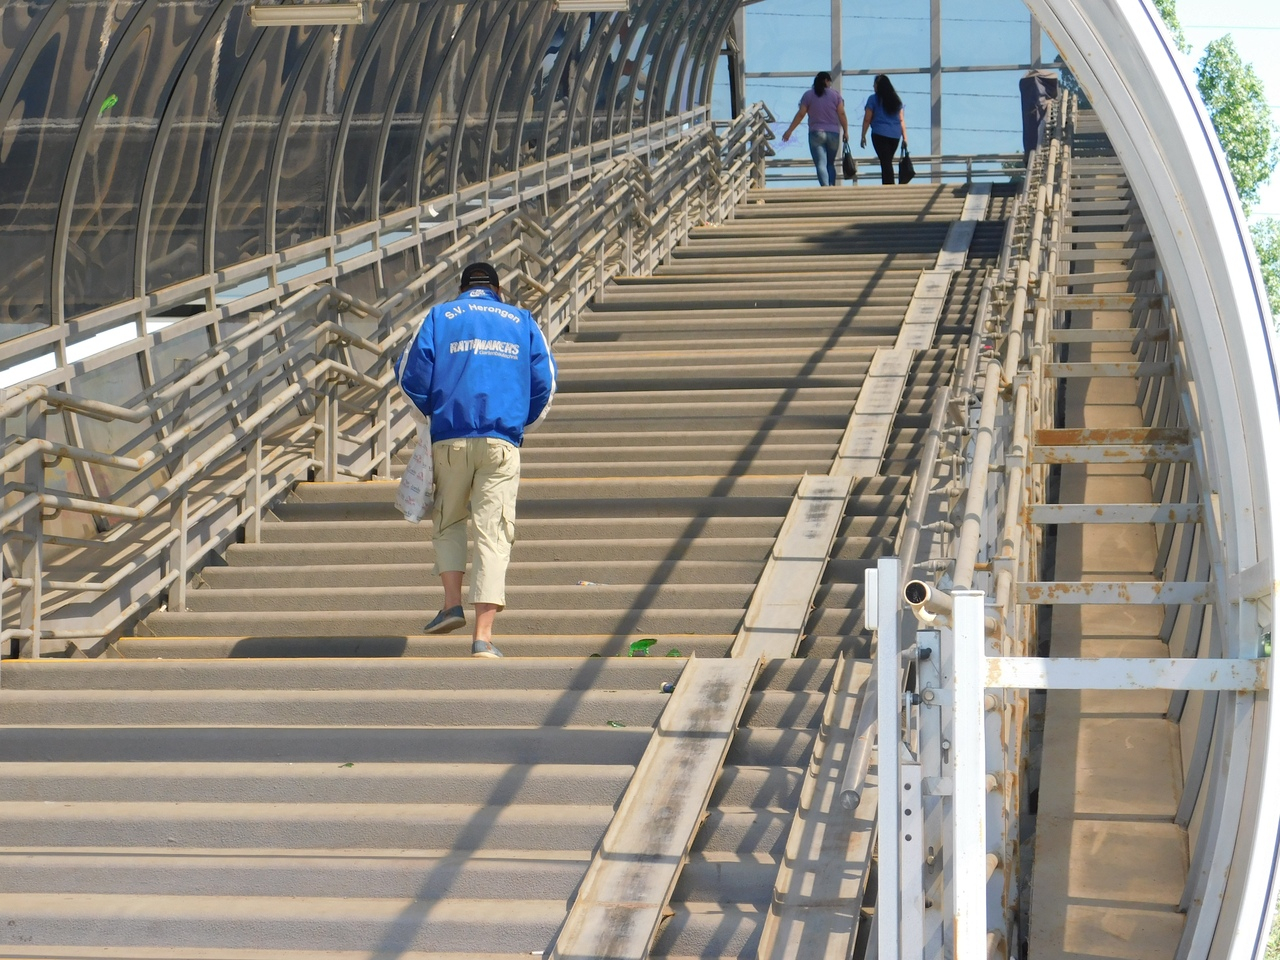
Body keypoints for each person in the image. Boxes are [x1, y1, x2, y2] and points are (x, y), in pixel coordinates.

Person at [396, 261, 557, 658]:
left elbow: (409, 376)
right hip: (501, 441)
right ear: (498, 290)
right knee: (493, 532)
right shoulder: (522, 321)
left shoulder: (441, 316)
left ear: (463, 288)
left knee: (449, 520)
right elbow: (546, 383)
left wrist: (433, 415)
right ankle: (483, 637)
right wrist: (518, 424)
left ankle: (451, 604)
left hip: (450, 437)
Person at [782, 71, 850, 187]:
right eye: (830, 82)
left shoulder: (808, 95)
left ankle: (825, 188)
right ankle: (832, 187)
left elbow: (801, 114)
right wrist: (846, 131)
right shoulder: (835, 95)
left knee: (821, 163)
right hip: (833, 133)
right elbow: (842, 114)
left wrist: (790, 130)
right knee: (830, 163)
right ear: (827, 81)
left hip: (816, 133)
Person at [860, 74, 907, 185]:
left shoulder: (873, 99)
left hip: (879, 134)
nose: (873, 86)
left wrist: (863, 135)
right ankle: (888, 184)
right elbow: (901, 120)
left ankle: (889, 186)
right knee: (887, 161)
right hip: (895, 135)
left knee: (885, 162)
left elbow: (867, 118)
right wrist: (905, 137)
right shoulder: (896, 100)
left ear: (878, 86)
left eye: (875, 84)